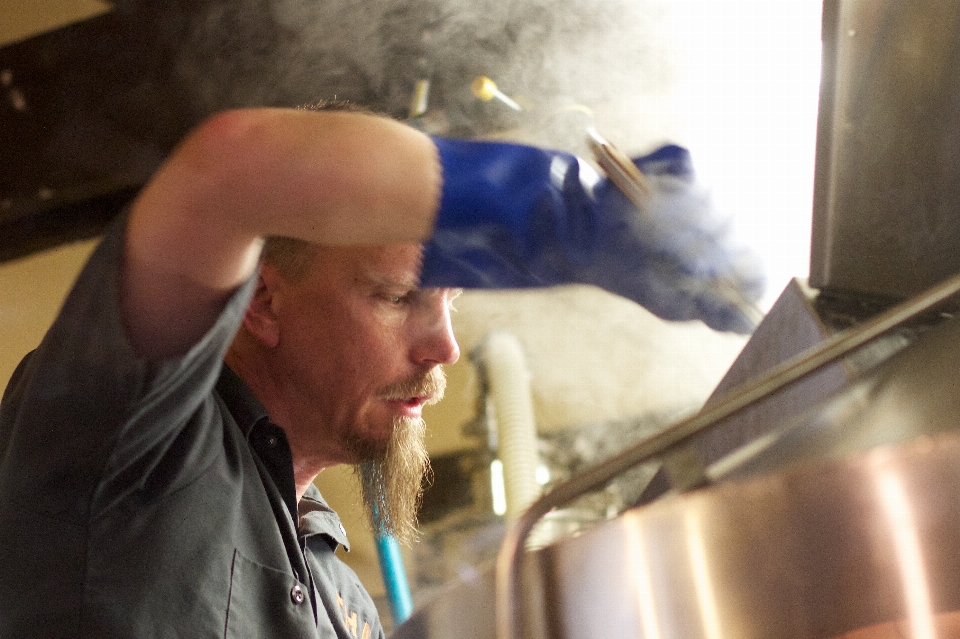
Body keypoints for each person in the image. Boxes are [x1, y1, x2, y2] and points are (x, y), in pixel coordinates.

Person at [0, 105, 763, 638]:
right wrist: (563, 209)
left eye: (451, 303)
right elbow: (227, 170)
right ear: (261, 297)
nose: (445, 348)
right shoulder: (132, 435)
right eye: (400, 297)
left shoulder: (342, 598)